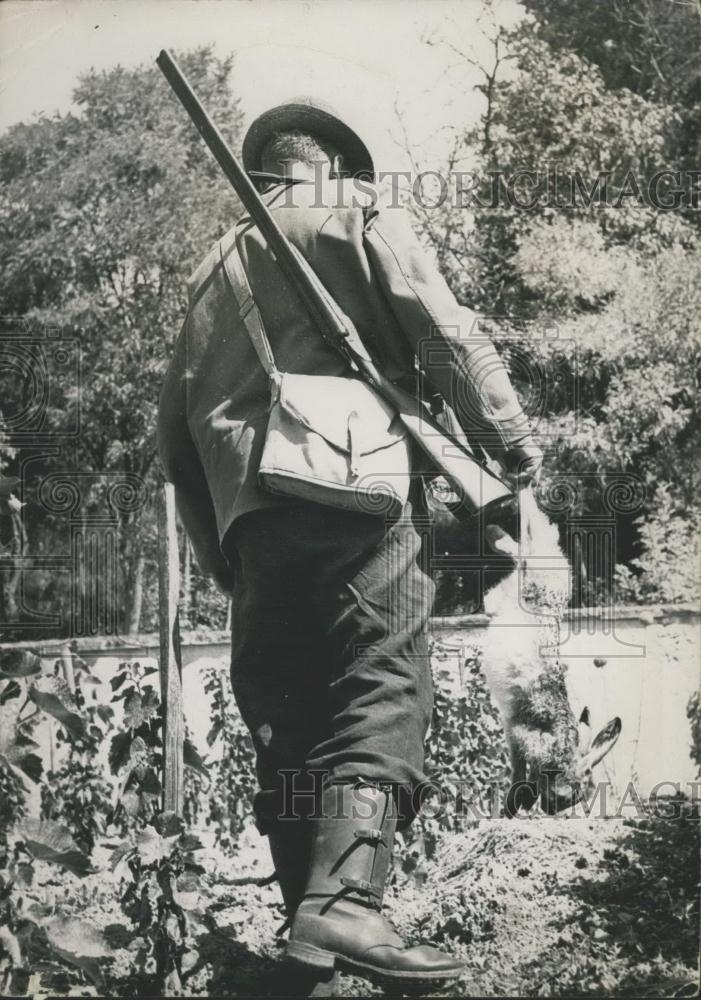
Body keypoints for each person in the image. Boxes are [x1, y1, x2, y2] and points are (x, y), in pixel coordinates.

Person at [158, 97, 542, 995]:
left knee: (286, 715)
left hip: (250, 524)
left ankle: (310, 935)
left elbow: (174, 440)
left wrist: (227, 553)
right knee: (379, 680)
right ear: (329, 166)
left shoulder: (206, 274)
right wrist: (512, 444)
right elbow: (443, 333)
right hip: (359, 495)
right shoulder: (354, 215)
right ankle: (350, 907)